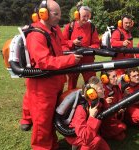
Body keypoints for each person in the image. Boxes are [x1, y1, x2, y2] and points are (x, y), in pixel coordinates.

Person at [24, 0, 82, 149]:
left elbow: (61, 48)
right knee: (42, 121)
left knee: (50, 118)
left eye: (59, 13)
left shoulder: (54, 30)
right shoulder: (36, 35)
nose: (59, 17)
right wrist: (70, 59)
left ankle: (52, 144)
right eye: (56, 14)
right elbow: (44, 61)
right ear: (43, 14)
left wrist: (72, 50)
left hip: (54, 82)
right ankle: (42, 147)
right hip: (42, 86)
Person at [65, 76, 110, 150]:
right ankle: (78, 146)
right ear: (92, 93)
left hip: (91, 132)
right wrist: (92, 116)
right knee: (96, 140)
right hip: (78, 137)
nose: (104, 89)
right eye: (100, 88)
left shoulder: (100, 102)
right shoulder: (81, 109)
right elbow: (85, 137)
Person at [62, 5, 100, 90]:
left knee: (92, 84)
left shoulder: (92, 27)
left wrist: (88, 48)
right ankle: (72, 102)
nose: (86, 19)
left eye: (88, 16)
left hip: (88, 60)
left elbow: (96, 44)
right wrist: (72, 42)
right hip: (73, 60)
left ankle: (92, 102)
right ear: (77, 15)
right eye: (84, 16)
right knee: (71, 86)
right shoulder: (69, 27)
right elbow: (62, 43)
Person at [100, 70, 127, 141]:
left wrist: (122, 109)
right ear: (105, 79)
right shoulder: (101, 90)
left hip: (116, 116)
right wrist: (104, 102)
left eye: (116, 76)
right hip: (107, 120)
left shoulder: (116, 87)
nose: (116, 78)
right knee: (121, 134)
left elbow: (121, 101)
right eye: (113, 76)